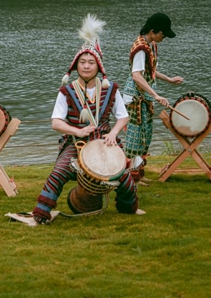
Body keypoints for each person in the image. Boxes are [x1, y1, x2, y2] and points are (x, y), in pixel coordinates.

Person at [32, 14, 144, 224]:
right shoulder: (66, 91)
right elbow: (56, 122)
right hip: (76, 142)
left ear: (98, 67)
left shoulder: (110, 89)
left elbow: (123, 117)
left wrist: (113, 133)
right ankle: (41, 213)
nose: (85, 66)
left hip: (106, 140)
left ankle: (129, 208)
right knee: (59, 172)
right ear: (76, 66)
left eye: (90, 62)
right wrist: (77, 131)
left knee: (124, 177)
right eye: (82, 62)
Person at [122, 13, 183, 185]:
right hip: (135, 98)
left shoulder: (151, 45)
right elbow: (136, 76)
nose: (164, 37)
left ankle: (139, 173)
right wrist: (156, 95)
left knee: (145, 136)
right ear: (153, 31)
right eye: (163, 34)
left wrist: (169, 79)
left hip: (145, 97)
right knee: (135, 137)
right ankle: (131, 178)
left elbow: (150, 72)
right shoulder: (140, 48)